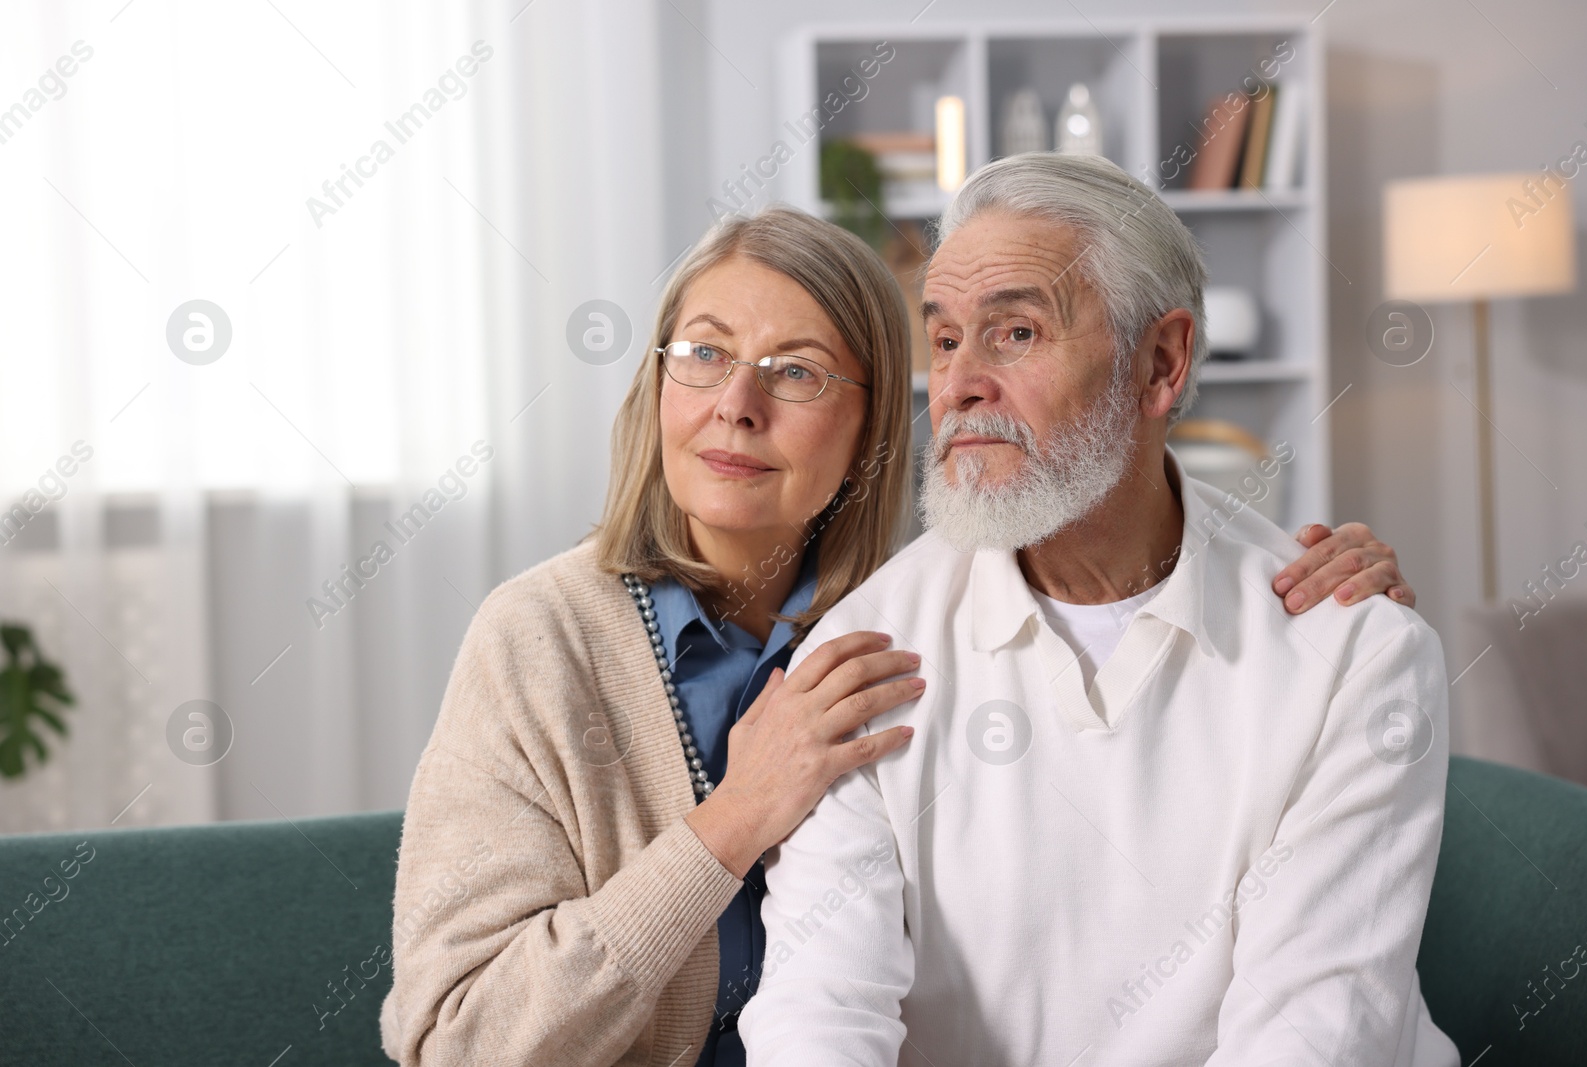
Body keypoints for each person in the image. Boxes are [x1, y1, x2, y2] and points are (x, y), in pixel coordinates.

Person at [379, 202, 1420, 1067]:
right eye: (701, 354)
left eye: (795, 371)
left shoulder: (899, 621)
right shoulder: (538, 640)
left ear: (875, 424)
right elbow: (452, 1036)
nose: (735, 405)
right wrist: (734, 817)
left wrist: (1328, 607)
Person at [737, 154, 1457, 1066]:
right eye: (948, 338)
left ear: (1161, 363)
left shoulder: (1354, 648)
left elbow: (1315, 1035)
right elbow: (818, 1018)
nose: (957, 385)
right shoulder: (857, 661)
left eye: (1017, 333)